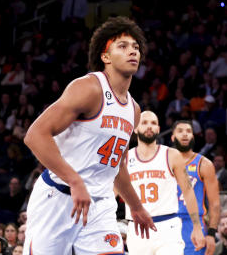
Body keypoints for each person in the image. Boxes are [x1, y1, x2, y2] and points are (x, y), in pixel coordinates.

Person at [22, 17, 157, 255]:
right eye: (123, 46)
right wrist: (75, 180)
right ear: (105, 57)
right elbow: (35, 135)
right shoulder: (88, 88)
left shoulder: (133, 110)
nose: (132, 51)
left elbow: (117, 166)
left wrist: (136, 207)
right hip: (58, 197)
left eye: (136, 47)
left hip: (100, 204)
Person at [125, 111, 205, 254]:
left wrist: (197, 227)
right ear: (135, 129)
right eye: (144, 123)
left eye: (153, 123)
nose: (149, 126)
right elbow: (112, 192)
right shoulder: (125, 158)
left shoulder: (171, 155)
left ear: (158, 129)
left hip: (168, 228)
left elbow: (188, 191)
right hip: (137, 229)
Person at [172, 120, 222, 255]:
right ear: (172, 136)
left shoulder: (204, 164)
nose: (185, 134)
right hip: (167, 221)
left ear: (193, 137)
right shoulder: (163, 162)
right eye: (180, 131)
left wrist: (211, 234)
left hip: (193, 224)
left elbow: (215, 203)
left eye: (189, 131)